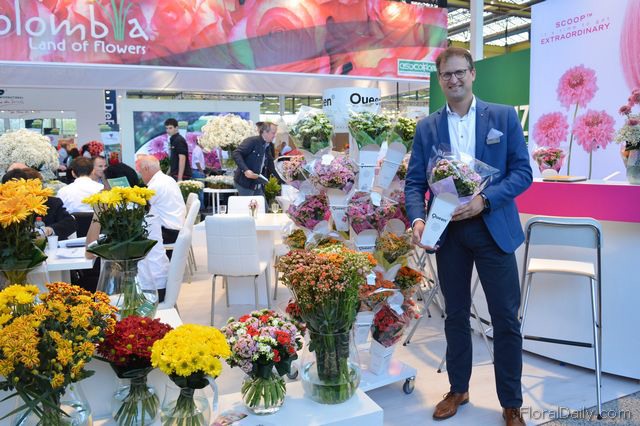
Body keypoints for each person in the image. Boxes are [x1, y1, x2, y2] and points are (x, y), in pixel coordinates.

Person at [405, 47, 532, 426]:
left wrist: (484, 200)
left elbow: (522, 173)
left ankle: (511, 402)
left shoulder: (503, 117)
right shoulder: (427, 127)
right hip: (449, 232)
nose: (454, 79)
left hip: (493, 228)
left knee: (505, 318)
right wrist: (417, 220)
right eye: (447, 74)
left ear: (473, 74)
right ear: (440, 79)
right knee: (455, 314)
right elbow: (414, 182)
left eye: (460, 72)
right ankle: (458, 389)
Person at [84, 162, 169, 300]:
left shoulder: (122, 213)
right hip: (158, 280)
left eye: (104, 185)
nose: (102, 190)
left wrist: (98, 212)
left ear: (114, 186)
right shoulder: (143, 205)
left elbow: (89, 253)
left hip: (142, 288)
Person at [1, 167, 76, 240]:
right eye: (11, 191)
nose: (16, 193)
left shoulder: (50, 202)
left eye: (19, 188)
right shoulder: (3, 209)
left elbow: (70, 223)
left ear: (28, 186)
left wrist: (50, 230)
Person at [136, 155, 185, 252]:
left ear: (146, 169)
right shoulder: (168, 179)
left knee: (131, 235)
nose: (141, 176)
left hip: (169, 233)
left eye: (141, 172)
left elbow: (141, 210)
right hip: (178, 228)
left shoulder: (155, 186)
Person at [232, 121, 279, 196]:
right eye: (273, 133)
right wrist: (246, 170)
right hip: (244, 184)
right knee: (251, 204)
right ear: (265, 132)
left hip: (257, 185)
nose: (275, 136)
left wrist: (284, 181)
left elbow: (271, 165)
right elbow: (236, 153)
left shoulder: (268, 145)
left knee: (262, 204)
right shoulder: (252, 141)